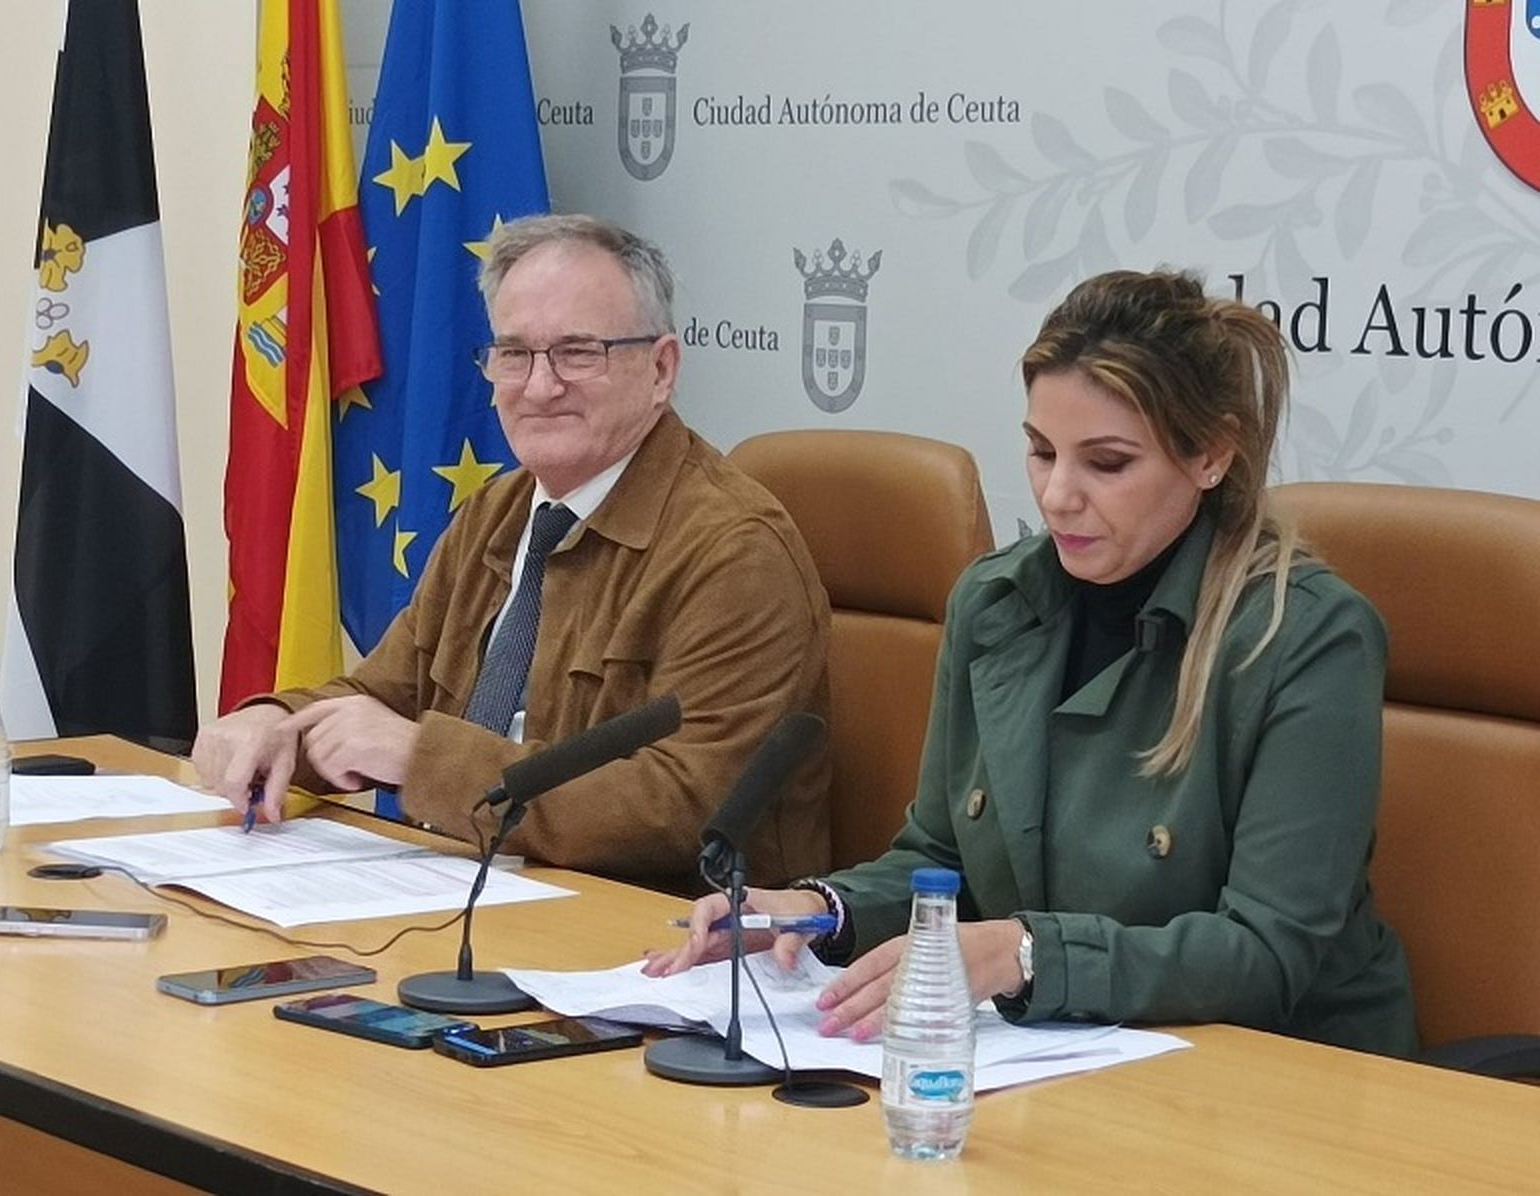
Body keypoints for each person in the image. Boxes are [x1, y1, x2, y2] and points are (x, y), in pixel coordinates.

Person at [647, 269, 1418, 1056]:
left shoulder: (1307, 636)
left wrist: (1023, 954)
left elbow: (1267, 953)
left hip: (1283, 1073)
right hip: (1067, 1054)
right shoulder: (994, 601)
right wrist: (820, 911)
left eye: (1107, 464)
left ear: (1212, 454)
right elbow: (941, 858)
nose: (1057, 495)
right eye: (1041, 451)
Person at [193, 214, 832, 894]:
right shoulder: (499, 513)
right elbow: (381, 698)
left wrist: (422, 758)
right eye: (515, 353)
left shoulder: (734, 549)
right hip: (465, 899)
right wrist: (276, 721)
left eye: (579, 353)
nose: (539, 386)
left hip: (655, 944)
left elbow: (685, 806)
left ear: (661, 368)